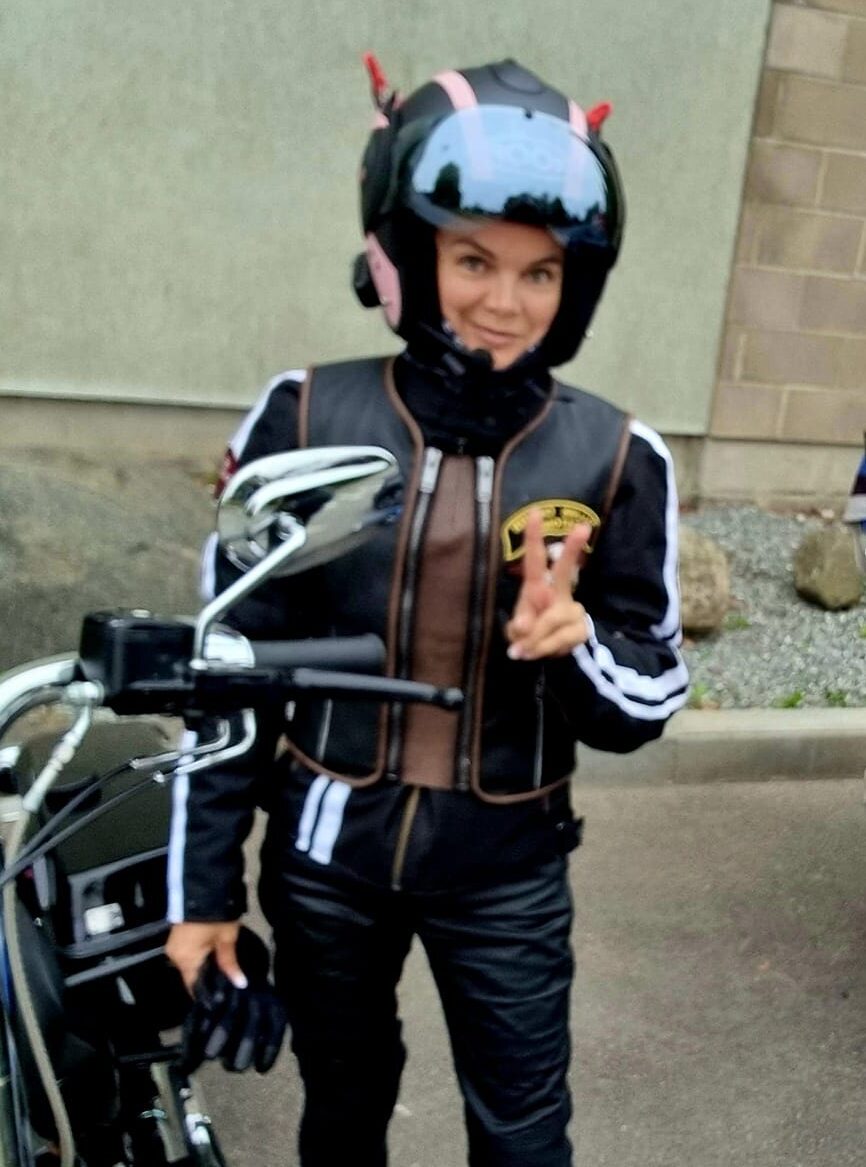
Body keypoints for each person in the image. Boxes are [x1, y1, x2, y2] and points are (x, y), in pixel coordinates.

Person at [166, 57, 688, 1167]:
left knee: (523, 1135)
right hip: (325, 857)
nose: (506, 303)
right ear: (409, 256)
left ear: (576, 285)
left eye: (540, 272)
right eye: (473, 261)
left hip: (508, 865)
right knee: (344, 1101)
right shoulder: (306, 415)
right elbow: (227, 671)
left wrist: (577, 646)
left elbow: (649, 691)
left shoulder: (616, 456)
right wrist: (202, 890)